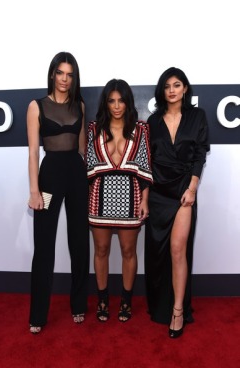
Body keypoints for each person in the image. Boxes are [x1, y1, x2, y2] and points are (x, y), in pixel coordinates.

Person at [27, 52, 89, 334]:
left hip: (76, 176)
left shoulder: (80, 106)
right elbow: (32, 153)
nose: (65, 79)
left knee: (78, 241)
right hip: (49, 177)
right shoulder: (36, 106)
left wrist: (85, 180)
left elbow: (82, 150)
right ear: (52, 74)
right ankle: (38, 315)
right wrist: (34, 190)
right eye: (60, 73)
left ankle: (78, 305)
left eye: (70, 74)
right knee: (44, 246)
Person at [145, 67, 210, 338]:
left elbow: (200, 154)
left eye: (177, 84)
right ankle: (162, 303)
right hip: (158, 193)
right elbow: (146, 163)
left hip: (184, 191)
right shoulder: (152, 121)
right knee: (160, 254)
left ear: (185, 88)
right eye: (167, 86)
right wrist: (145, 198)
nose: (172, 90)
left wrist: (193, 188)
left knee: (176, 249)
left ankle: (178, 310)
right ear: (162, 90)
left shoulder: (197, 117)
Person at [85, 79, 152, 322]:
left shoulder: (141, 129)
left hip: (131, 197)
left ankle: (125, 300)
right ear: (105, 102)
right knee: (101, 250)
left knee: (128, 251)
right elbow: (89, 170)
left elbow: (144, 167)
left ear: (128, 102)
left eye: (121, 100)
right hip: (98, 198)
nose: (116, 106)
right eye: (111, 100)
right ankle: (102, 298)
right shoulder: (93, 129)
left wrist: (145, 200)